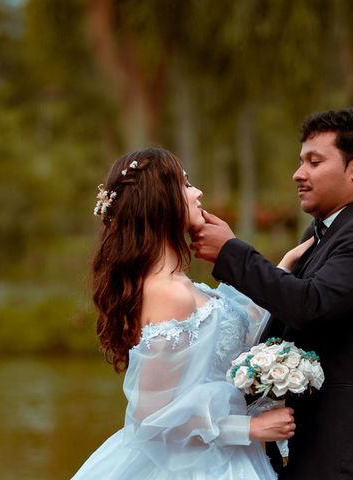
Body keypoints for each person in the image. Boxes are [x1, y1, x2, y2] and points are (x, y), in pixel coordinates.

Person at [190, 106, 353, 479]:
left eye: (314, 162)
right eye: (301, 161)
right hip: (298, 447)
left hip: (342, 452)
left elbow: (310, 305)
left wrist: (233, 252)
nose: (298, 174)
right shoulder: (321, 235)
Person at [72, 147, 296, 480]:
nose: (197, 192)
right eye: (185, 184)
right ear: (161, 202)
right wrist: (247, 428)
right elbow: (151, 415)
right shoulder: (169, 292)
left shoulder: (180, 285)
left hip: (221, 457)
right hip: (193, 466)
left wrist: (290, 260)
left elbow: (241, 324)